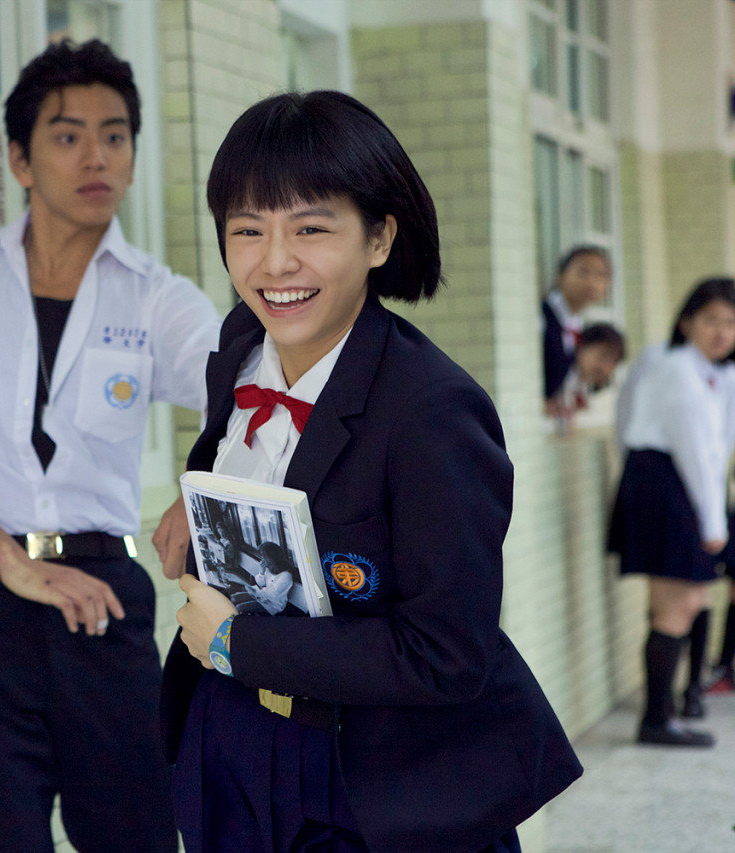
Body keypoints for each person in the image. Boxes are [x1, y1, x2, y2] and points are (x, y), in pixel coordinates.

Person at [158, 90, 582, 853]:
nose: (274, 261)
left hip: (376, 784)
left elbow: (445, 654)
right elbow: (248, 459)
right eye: (248, 229)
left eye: (310, 228)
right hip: (229, 748)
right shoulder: (241, 341)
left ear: (380, 238)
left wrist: (235, 643)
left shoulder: (433, 410)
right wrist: (195, 503)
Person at [0, 39, 220, 852]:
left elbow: (249, 394)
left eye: (115, 135)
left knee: (137, 834)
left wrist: (197, 487)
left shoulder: (159, 297)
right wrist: (10, 561)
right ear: (20, 161)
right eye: (68, 136)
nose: (97, 156)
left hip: (102, 599)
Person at [609, 277, 735, 745]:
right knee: (676, 604)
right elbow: (696, 452)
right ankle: (656, 720)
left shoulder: (711, 372)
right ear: (687, 323)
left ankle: (663, 715)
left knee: (689, 600)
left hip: (671, 483)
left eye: (731, 323)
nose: (722, 332)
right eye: (712, 320)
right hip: (665, 483)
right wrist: (714, 522)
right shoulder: (679, 368)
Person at [542, 245, 612, 416]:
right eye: (583, 272)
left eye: (600, 275)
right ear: (560, 275)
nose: (592, 281)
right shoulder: (540, 317)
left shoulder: (578, 323)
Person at [548, 322, 625, 419]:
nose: (604, 368)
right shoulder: (553, 358)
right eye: (603, 355)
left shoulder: (573, 387)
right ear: (584, 343)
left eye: (612, 364)